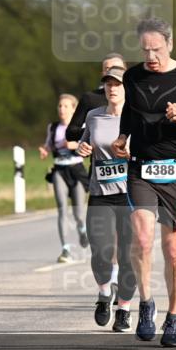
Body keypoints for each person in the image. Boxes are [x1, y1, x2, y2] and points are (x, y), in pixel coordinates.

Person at [111, 16, 176, 347]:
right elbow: (130, 112)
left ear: (170, 44)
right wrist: (122, 137)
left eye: (156, 50)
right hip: (140, 167)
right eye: (145, 51)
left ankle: (174, 317)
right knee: (143, 239)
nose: (151, 57)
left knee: (172, 249)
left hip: (175, 169)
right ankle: (146, 304)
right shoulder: (132, 76)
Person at [76, 66, 136, 331]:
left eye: (118, 84)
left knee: (127, 256)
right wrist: (82, 147)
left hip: (129, 194)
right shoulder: (93, 116)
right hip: (100, 193)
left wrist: (132, 154)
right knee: (99, 251)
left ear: (127, 89)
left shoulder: (136, 118)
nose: (112, 88)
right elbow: (84, 143)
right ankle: (103, 294)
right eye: (108, 83)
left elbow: (149, 151)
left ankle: (124, 309)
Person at [40, 94, 89, 262]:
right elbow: (49, 143)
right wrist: (45, 150)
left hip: (76, 169)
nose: (62, 109)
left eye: (66, 106)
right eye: (60, 106)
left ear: (74, 109)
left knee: (78, 213)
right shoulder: (53, 127)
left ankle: (82, 230)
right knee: (62, 209)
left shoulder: (80, 126)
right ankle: (65, 249)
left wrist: (73, 145)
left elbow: (88, 144)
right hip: (60, 169)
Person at [66, 53, 126, 141]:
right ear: (102, 73)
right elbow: (70, 133)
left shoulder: (137, 98)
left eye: (117, 68)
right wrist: (95, 131)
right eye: (108, 69)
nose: (113, 72)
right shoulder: (90, 98)